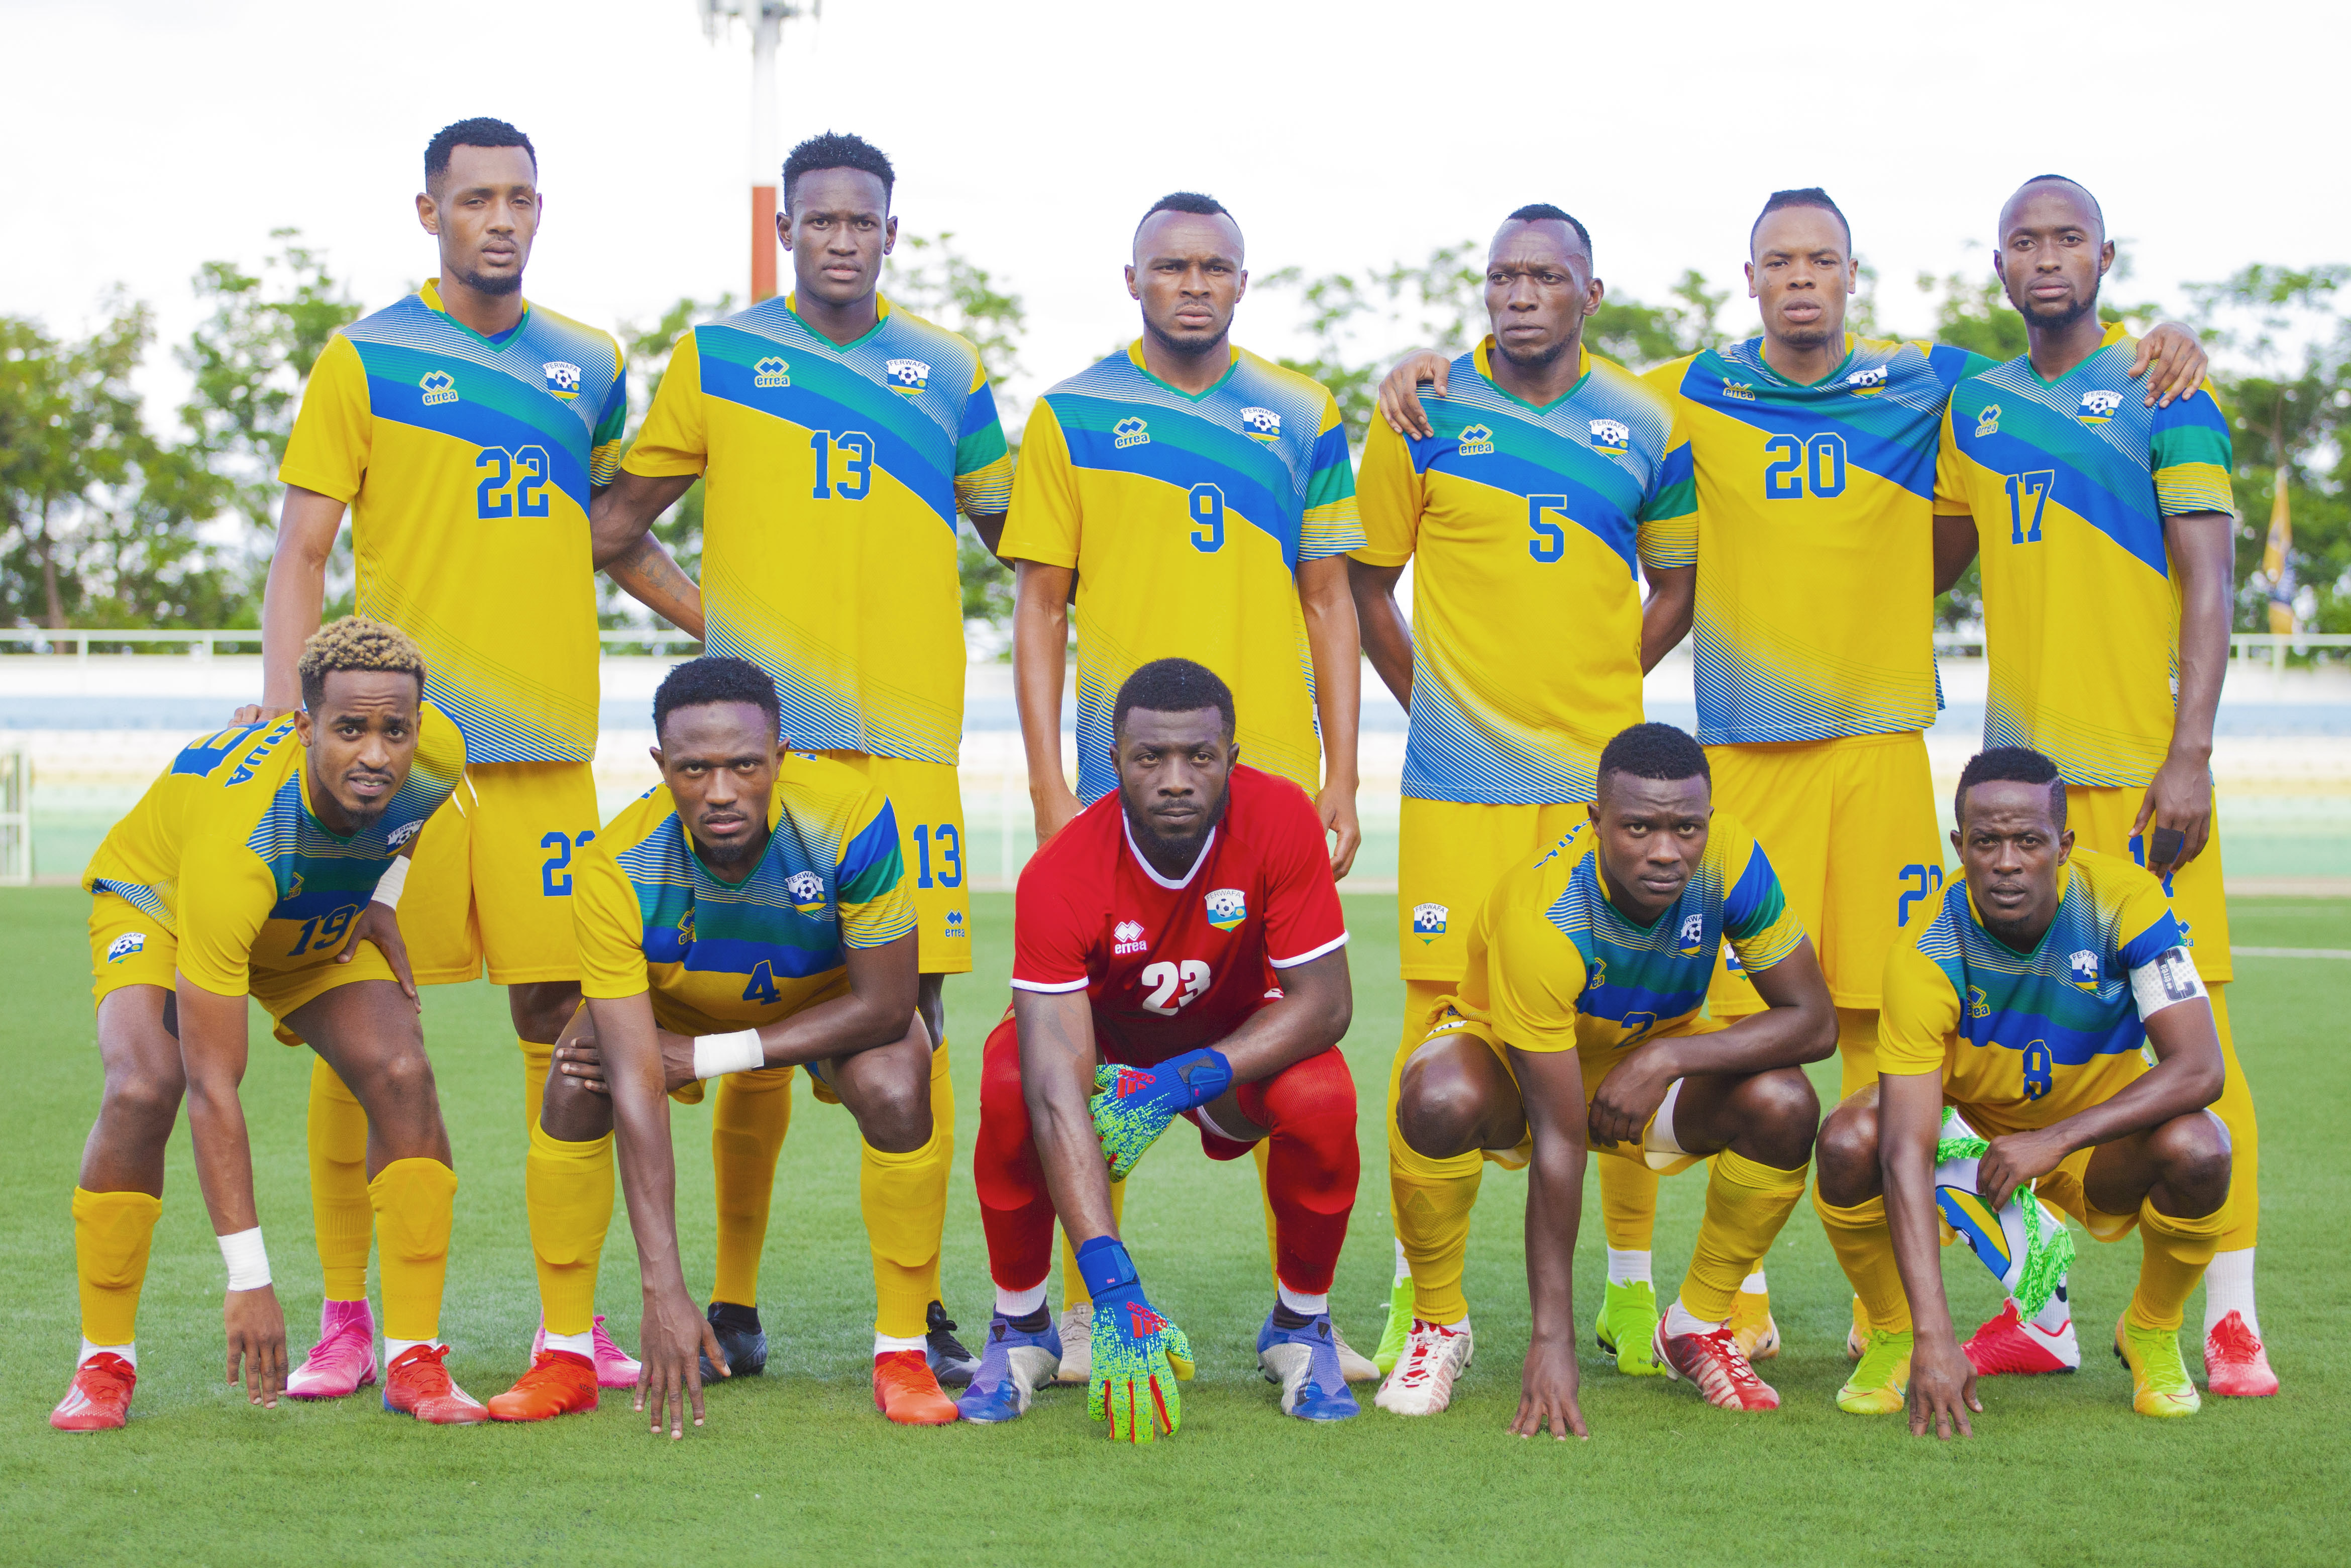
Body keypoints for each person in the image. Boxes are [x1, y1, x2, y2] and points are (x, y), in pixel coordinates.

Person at [1374, 188, 2208, 1358]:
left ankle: (1959, 1300)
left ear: (1853, 275)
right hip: (1742, 762)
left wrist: (2166, 342)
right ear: (1751, 276)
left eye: (1822, 259)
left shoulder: (1931, 379)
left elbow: (2061, 364)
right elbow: (1558, 370)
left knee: (1894, 1028)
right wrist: (1429, 366)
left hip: (1875, 752)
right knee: (1729, 1019)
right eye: (1780, 261)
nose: (1802, 277)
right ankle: (1732, 1304)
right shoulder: (1685, 389)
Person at [250, 117, 696, 1396]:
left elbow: (618, 539)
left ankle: (575, 1321)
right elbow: (301, 553)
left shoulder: (590, 362)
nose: (498, 218)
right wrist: (298, 722)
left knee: (565, 1027)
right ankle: (350, 1316)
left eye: (518, 198)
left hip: (550, 757)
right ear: (429, 211)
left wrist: (735, 627)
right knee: (362, 1025)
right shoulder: (365, 359)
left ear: (541, 211)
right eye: (473, 198)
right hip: (404, 768)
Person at [595, 129, 1007, 1386]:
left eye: (862, 220)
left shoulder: (948, 370)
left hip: (907, 750)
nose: (841, 238)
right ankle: (732, 1300)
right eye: (819, 219)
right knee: (751, 986)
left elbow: (1024, 536)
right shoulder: (719, 355)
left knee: (917, 1020)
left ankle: (921, 1305)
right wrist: (715, 632)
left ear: (894, 229)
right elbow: (613, 530)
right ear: (789, 231)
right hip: (770, 753)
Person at [998, 192, 1371, 1382]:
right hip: (1127, 785)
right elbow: (1041, 606)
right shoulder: (1072, 412)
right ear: (1133, 280)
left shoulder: (1301, 412)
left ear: (1243, 283)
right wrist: (1056, 783)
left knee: (1297, 1063)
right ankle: (1065, 1314)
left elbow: (1330, 598)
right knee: (1068, 1058)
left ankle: (1298, 1325)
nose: (1194, 284)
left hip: (1253, 795)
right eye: (1172, 267)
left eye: (1216, 267)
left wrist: (1343, 772)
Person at [1933, 174, 2273, 1397]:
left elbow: (2212, 582)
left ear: (2107, 256)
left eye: (2067, 238)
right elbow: (1922, 556)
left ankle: (2225, 1319)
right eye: (2024, 241)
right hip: (2023, 802)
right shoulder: (1970, 405)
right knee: (2004, 1049)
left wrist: (2192, 755)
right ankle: (2042, 1302)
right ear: (1999, 266)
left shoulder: (2168, 387)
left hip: (2145, 787)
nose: (2046, 258)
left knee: (2202, 1055)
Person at [1349, 204, 1696, 1379]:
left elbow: (1679, 582)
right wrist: (1433, 700)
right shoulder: (1424, 410)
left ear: (1590, 292)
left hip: (1599, 800)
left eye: (1546, 276)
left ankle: (1632, 1293)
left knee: (1622, 1018)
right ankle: (1418, 1298)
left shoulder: (1649, 421)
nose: (1520, 294)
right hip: (1457, 788)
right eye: (1502, 276)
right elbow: (1364, 585)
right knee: (1437, 1026)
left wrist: (1603, 691)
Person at [484, 656, 954, 1431]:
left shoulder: (852, 815)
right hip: (676, 1004)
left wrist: (706, 1057)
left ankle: (902, 1352)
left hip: (825, 1001)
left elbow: (887, 1003)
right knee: (576, 1082)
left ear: (782, 756)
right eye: (695, 769)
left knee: (900, 1082)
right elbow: (637, 1082)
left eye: (745, 764)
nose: (722, 790)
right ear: (662, 766)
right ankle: (564, 1355)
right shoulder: (613, 867)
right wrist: (663, 1289)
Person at [54, 619, 478, 1430]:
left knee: (402, 1073)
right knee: (148, 1084)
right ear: (304, 725)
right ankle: (104, 1359)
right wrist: (249, 1276)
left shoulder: (439, 755)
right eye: (350, 729)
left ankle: (415, 1357)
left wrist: (383, 903)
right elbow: (217, 1085)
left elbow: (408, 820)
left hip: (307, 911)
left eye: (395, 730)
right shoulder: (239, 843)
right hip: (168, 900)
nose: (378, 755)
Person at [1383, 723, 1833, 1427]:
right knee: (1437, 1093)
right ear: (1597, 821)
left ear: (1708, 819)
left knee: (1784, 1101)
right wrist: (1551, 1339)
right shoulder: (1546, 915)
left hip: (1647, 1067)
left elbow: (1813, 1020)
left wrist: (1664, 1059)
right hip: (1514, 1068)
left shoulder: (1732, 857)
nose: (1665, 850)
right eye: (1638, 827)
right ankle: (1439, 1323)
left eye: (1687, 827)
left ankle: (1697, 1324)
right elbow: (1560, 1142)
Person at [958, 659, 1359, 1438]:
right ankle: (1022, 1329)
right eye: (1151, 758)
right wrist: (1114, 1291)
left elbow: (1327, 1004)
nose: (1175, 778)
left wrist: (1180, 1080)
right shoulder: (1061, 871)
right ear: (1116, 763)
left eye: (1199, 756)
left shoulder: (1280, 819)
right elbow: (1052, 1088)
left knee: (1322, 1093)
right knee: (1011, 1077)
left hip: (1231, 1052)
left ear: (1232, 757)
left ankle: (1301, 1328)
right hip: (1103, 1052)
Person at [1815, 748, 2233, 1430]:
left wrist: (2055, 1139)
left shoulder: (2124, 903)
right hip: (1973, 1148)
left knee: (2202, 1146)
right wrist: (1933, 1335)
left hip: (2098, 1143)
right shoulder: (1927, 950)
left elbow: (2199, 1068)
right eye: (1987, 842)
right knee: (1848, 1139)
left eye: (2028, 841)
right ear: (1961, 845)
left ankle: (2152, 1330)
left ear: (2063, 845)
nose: (2006, 861)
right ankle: (1892, 1331)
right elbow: (1903, 1149)